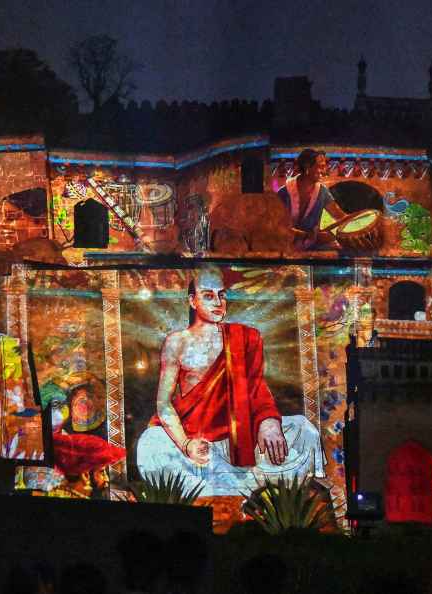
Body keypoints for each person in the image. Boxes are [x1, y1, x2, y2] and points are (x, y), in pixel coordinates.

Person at [136, 266, 325, 496]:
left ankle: (229, 485)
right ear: (193, 301)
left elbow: (256, 389)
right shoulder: (177, 342)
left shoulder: (246, 337)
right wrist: (186, 445)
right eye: (208, 295)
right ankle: (233, 487)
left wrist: (268, 422)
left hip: (240, 438)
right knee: (150, 443)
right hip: (197, 441)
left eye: (221, 295)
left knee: (304, 430)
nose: (218, 302)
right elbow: (164, 404)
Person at [276, 149, 347, 250]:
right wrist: (309, 236)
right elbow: (277, 225)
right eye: (321, 166)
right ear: (307, 166)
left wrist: (362, 218)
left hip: (311, 247)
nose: (324, 170)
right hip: (284, 247)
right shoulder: (284, 193)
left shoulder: (322, 192)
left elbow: (340, 216)